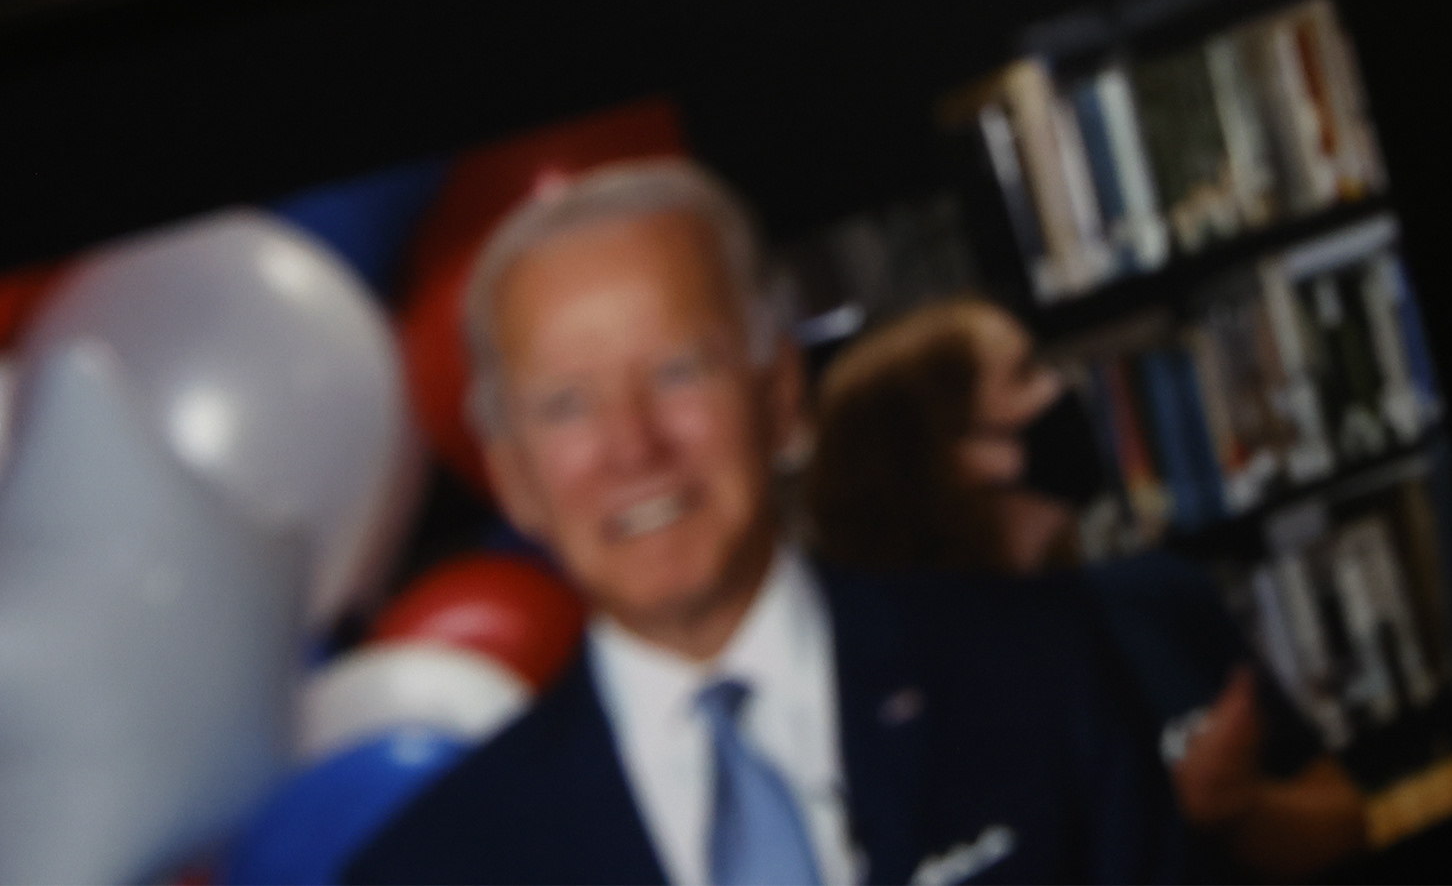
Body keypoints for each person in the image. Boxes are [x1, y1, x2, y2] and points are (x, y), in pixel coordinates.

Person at [346, 162, 1186, 886]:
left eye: (678, 369)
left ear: (781, 394)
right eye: (567, 405)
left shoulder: (1035, 669)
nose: (633, 446)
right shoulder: (431, 869)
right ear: (512, 475)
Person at [806, 302, 1369, 884]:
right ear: (964, 455)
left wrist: (1240, 810)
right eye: (1025, 375)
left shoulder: (1158, 595)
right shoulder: (898, 712)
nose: (1064, 388)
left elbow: (1345, 822)